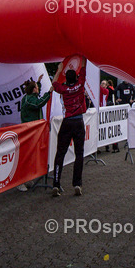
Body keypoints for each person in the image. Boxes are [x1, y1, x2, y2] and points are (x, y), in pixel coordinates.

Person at [51, 57, 88, 197]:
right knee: (79, 154)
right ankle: (77, 183)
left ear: (67, 78)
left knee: (60, 153)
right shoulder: (80, 85)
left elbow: (54, 84)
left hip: (66, 122)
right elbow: (84, 69)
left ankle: (56, 183)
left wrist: (59, 70)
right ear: (77, 77)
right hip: (78, 122)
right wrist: (83, 55)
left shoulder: (64, 89)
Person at [17, 75, 52, 191]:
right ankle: (20, 181)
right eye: (37, 87)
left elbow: (37, 98)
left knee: (31, 156)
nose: (38, 89)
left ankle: (27, 179)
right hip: (28, 132)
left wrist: (39, 82)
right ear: (33, 89)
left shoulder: (29, 97)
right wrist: (49, 93)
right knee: (26, 157)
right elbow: (39, 103)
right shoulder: (29, 100)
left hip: (33, 132)